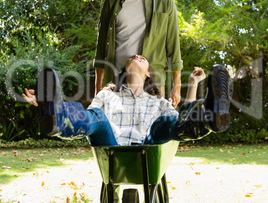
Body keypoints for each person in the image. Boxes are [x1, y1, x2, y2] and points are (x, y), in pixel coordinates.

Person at [23, 55, 232, 146]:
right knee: (96, 117)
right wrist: (45, 104)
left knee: (167, 122)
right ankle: (59, 118)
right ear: (124, 70)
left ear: (148, 73)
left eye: (142, 58)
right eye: (133, 57)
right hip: (111, 143)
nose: (136, 56)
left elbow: (181, 123)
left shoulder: (157, 102)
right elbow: (87, 120)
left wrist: (193, 83)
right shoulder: (107, 94)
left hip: (148, 144)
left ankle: (211, 116)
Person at [93, 0, 183, 108]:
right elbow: (101, 50)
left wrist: (176, 87)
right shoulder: (111, 3)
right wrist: (97, 89)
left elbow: (173, 49)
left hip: (152, 85)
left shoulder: (166, 3)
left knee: (152, 131)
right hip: (114, 84)